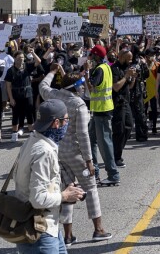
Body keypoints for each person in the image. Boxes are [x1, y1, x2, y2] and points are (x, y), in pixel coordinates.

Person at [39, 64, 111, 245]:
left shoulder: (54, 95)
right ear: (75, 87)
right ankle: (98, 229)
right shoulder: (78, 105)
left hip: (57, 152)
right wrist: (89, 160)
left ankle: (68, 236)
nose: (83, 87)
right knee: (90, 187)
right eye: (80, 85)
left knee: (67, 190)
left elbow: (42, 87)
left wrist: (53, 71)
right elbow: (83, 134)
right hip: (75, 153)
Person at [14, 99, 85, 253]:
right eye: (66, 120)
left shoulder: (32, 141)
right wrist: (65, 196)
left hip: (47, 227)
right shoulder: (44, 152)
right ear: (57, 124)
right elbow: (38, 199)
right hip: (39, 231)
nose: (67, 124)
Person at [87, 44, 119, 186]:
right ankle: (95, 173)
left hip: (102, 111)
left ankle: (113, 175)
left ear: (96, 56)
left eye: (91, 55)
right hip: (99, 110)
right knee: (91, 141)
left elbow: (91, 87)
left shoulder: (99, 70)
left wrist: (87, 72)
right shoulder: (106, 67)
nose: (90, 58)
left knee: (104, 143)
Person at [5, 53, 35, 142]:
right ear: (14, 59)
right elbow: (8, 86)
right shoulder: (10, 71)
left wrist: (33, 53)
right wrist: (11, 98)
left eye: (22, 57)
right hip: (16, 95)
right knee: (16, 114)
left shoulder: (27, 67)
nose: (21, 59)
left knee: (30, 113)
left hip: (28, 94)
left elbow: (38, 62)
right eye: (19, 58)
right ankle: (14, 133)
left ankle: (31, 133)